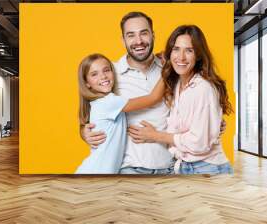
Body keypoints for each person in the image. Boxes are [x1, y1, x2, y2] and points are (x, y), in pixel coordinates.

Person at [128, 25, 233, 175]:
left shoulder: (202, 88)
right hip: (185, 166)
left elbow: (199, 143)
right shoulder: (178, 83)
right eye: (176, 49)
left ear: (198, 55)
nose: (181, 57)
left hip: (207, 168)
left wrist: (154, 136)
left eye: (189, 50)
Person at [81, 12, 174, 174]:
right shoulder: (110, 75)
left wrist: (211, 122)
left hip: (170, 166)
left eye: (143, 33)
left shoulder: (173, 67)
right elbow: (91, 116)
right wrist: (84, 132)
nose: (138, 41)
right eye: (131, 35)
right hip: (129, 169)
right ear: (123, 40)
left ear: (153, 35)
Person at [75, 53, 165, 174]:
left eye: (106, 70)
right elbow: (153, 98)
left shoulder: (101, 103)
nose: (103, 76)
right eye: (94, 74)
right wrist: (167, 68)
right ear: (87, 83)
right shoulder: (109, 102)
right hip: (94, 174)